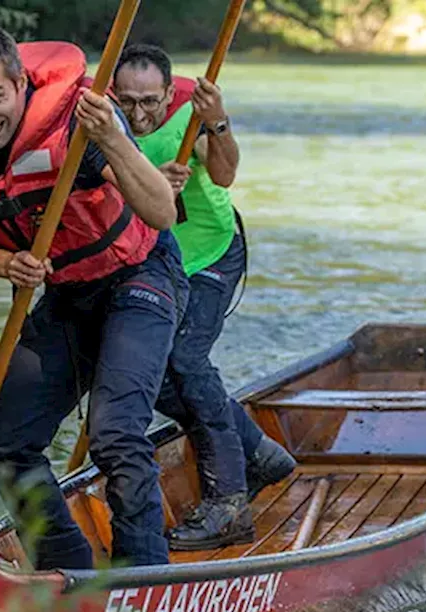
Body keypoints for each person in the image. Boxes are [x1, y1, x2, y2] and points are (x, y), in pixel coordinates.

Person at [0, 25, 187, 569]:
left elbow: (162, 211)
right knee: (4, 442)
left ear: (21, 83)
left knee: (114, 434)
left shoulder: (80, 117)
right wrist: (5, 263)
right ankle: (67, 571)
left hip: (140, 277)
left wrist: (111, 137)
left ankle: (144, 575)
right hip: (68, 294)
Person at [112, 44, 296, 550]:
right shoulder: (104, 125)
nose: (139, 114)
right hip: (154, 261)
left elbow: (226, 175)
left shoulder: (190, 120)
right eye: (127, 101)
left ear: (169, 93)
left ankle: (228, 503)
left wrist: (218, 124)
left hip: (212, 256)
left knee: (185, 361)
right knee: (155, 375)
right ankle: (259, 452)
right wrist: (149, 186)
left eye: (150, 101)